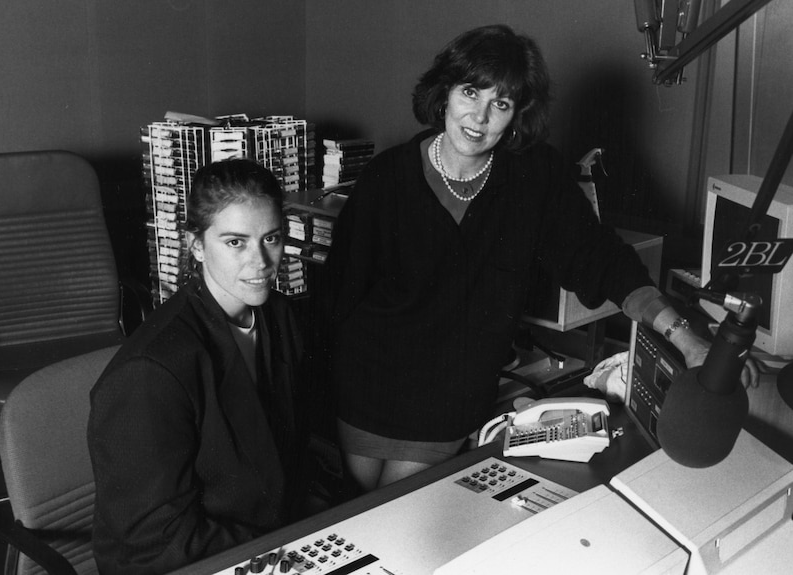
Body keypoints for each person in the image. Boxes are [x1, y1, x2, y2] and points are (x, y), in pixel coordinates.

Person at [323, 24, 756, 493]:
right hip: (367, 383)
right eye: (470, 92)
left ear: (515, 116)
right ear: (445, 92)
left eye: (501, 104)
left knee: (392, 514)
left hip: (445, 399)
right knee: (355, 508)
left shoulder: (534, 177)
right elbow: (338, 296)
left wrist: (687, 340)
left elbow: (601, 259)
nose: (480, 116)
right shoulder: (387, 178)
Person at [88, 159, 309, 574]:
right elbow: (152, 545)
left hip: (265, 542)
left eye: (272, 238)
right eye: (235, 242)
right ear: (195, 245)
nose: (261, 262)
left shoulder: (279, 317)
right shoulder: (151, 372)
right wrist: (286, 554)